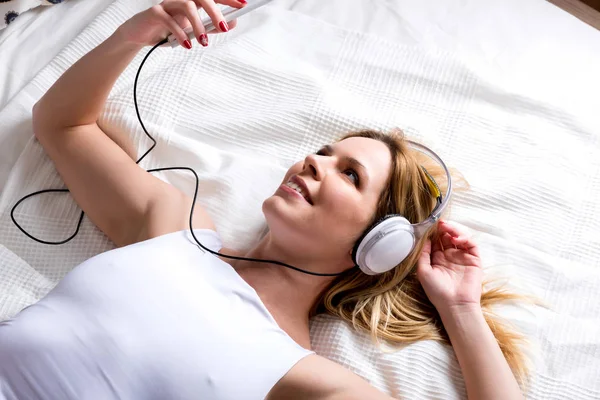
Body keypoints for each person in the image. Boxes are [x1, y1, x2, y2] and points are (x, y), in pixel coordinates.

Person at [0, 1, 527, 399]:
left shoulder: (304, 376)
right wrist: (133, 35)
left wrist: (460, 309)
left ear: (378, 245)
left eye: (350, 174)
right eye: (322, 152)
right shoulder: (175, 227)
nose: (313, 162)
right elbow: (62, 124)